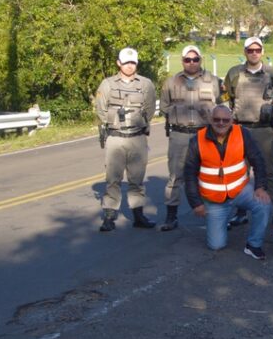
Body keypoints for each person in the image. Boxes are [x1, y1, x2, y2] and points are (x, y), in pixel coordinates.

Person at [182, 105, 273, 260]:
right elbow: (189, 174)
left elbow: (258, 161)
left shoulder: (242, 134)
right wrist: (196, 203)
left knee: (264, 204)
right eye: (217, 119)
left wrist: (260, 187)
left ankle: (254, 245)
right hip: (214, 199)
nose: (221, 123)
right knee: (216, 245)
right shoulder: (197, 140)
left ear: (232, 120)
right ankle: (221, 222)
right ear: (210, 120)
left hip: (240, 191)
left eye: (225, 120)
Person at [158, 45, 221, 231]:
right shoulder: (171, 82)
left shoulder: (213, 81)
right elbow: (163, 106)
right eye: (187, 59)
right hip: (179, 134)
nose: (192, 63)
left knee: (210, 175)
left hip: (205, 134)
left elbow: (223, 105)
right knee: (175, 177)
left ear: (201, 60)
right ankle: (171, 216)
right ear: (182, 61)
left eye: (195, 59)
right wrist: (179, 112)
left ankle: (214, 215)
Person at [94, 47, 157, 232]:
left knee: (137, 179)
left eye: (133, 62)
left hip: (137, 137)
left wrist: (141, 122)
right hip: (116, 138)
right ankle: (109, 217)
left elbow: (150, 108)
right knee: (112, 179)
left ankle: (138, 215)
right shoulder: (107, 84)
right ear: (118, 63)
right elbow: (101, 109)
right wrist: (113, 124)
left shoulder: (146, 84)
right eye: (126, 62)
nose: (129, 66)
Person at [223, 37, 273, 225]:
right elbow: (226, 96)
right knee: (240, 171)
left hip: (264, 130)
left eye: (257, 50)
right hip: (240, 128)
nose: (254, 53)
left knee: (269, 171)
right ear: (245, 52)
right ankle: (241, 211)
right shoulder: (234, 73)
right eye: (250, 50)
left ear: (262, 52)